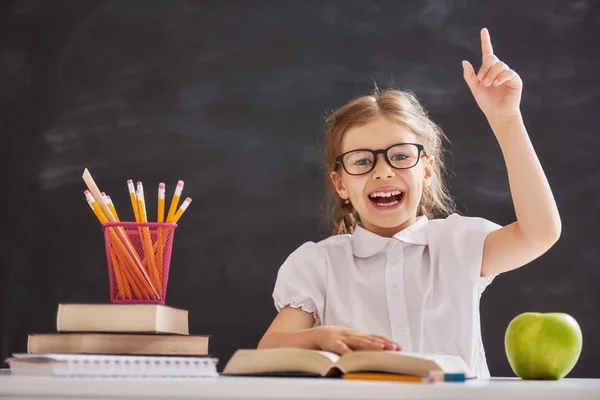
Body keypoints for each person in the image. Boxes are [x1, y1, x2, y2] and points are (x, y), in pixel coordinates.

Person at [257, 28, 561, 379]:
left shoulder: (459, 243)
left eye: (400, 156)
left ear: (427, 170)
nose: (383, 172)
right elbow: (269, 349)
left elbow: (540, 233)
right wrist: (319, 337)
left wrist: (506, 120)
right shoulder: (318, 263)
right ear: (340, 184)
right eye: (361, 161)